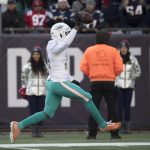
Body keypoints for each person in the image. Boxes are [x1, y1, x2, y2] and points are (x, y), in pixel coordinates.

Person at [10, 21, 121, 144]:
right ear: (60, 34)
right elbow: (66, 42)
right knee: (87, 97)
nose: (68, 35)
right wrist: (75, 28)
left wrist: (71, 79)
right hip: (58, 83)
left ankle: (19, 125)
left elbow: (61, 67)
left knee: (47, 113)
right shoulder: (53, 45)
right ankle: (102, 124)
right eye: (66, 33)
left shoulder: (57, 45)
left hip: (55, 82)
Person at [80, 30, 123, 139]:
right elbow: (119, 68)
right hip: (109, 82)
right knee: (112, 108)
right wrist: (112, 75)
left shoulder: (89, 50)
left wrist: (92, 74)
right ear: (107, 39)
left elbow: (83, 67)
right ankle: (114, 133)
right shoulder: (113, 51)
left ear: (96, 38)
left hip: (95, 82)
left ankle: (92, 134)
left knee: (94, 108)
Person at [18, 45, 49, 137]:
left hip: (43, 92)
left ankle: (39, 131)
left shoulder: (45, 66)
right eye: (34, 54)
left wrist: (48, 88)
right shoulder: (27, 66)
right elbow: (23, 78)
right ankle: (33, 132)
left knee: (41, 112)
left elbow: (49, 78)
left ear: (40, 55)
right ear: (31, 55)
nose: (35, 56)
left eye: (37, 54)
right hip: (31, 92)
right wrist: (24, 88)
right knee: (33, 112)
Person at [115, 40, 141, 134]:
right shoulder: (116, 58)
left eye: (125, 48)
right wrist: (116, 80)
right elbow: (112, 71)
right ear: (119, 48)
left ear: (128, 48)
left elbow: (138, 72)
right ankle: (120, 127)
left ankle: (127, 128)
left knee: (127, 107)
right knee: (119, 107)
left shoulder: (133, 59)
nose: (123, 49)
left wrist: (131, 77)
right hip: (119, 86)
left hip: (129, 86)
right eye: (121, 47)